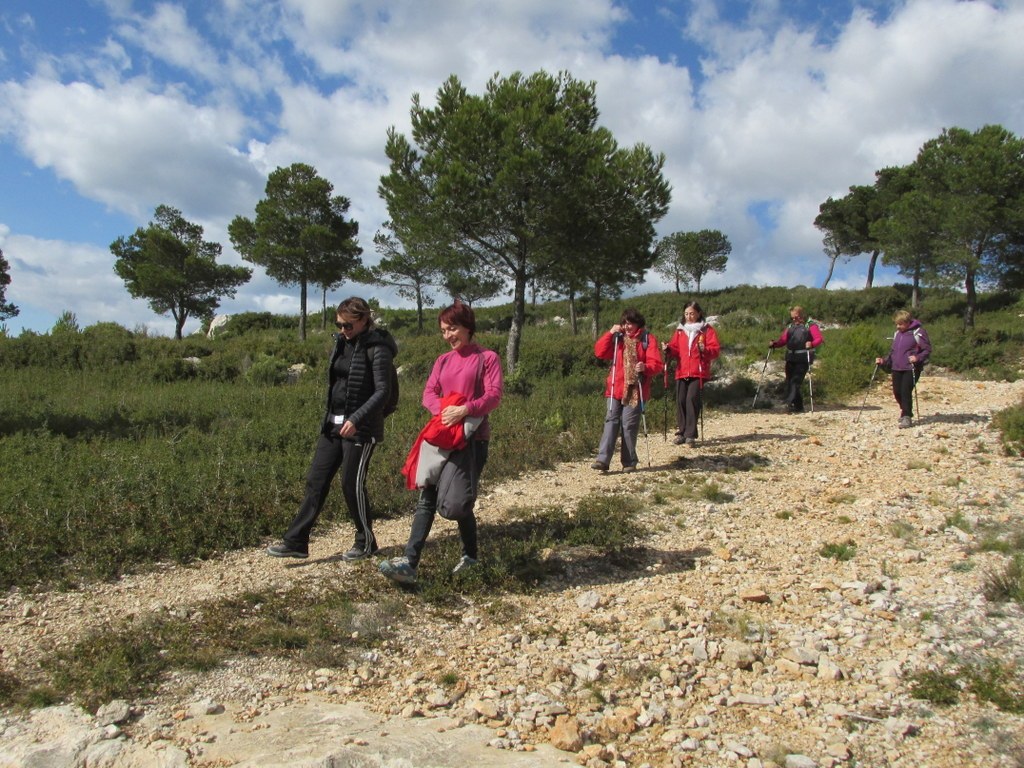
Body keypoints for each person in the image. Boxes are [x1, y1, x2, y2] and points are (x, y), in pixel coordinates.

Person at [380, 301, 503, 585]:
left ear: (468, 327)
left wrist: (465, 409)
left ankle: (470, 556)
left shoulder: (487, 358)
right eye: (444, 330)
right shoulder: (442, 361)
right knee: (427, 498)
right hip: (441, 435)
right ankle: (409, 563)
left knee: (456, 505)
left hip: (472, 440)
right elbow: (428, 393)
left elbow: (494, 396)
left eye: (453, 328)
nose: (448, 335)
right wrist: (443, 410)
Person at [267, 297, 397, 561]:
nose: (342, 330)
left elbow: (383, 391)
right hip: (333, 424)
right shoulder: (341, 343)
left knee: (352, 484)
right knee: (316, 479)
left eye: (348, 325)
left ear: (363, 321)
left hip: (362, 428)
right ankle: (296, 541)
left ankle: (366, 542)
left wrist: (357, 419)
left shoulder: (378, 348)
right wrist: (333, 417)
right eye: (338, 324)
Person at [591, 308, 664, 472]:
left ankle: (629, 461)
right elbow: (600, 352)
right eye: (625, 323)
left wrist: (645, 367)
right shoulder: (618, 339)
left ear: (638, 323)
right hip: (614, 387)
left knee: (629, 425)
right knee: (611, 421)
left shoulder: (647, 339)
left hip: (635, 390)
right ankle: (603, 460)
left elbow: (657, 365)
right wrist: (610, 333)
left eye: (630, 323)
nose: (627, 326)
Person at [663, 301, 720, 445]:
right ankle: (681, 432)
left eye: (692, 313)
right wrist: (668, 349)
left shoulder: (706, 330)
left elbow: (715, 350)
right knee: (681, 400)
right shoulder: (680, 330)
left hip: (698, 371)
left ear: (699, 313)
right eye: (687, 314)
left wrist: (704, 350)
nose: (689, 316)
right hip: (682, 371)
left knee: (691, 400)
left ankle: (690, 434)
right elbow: (675, 349)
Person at [876, 309, 931, 429]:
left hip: (911, 368)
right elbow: (893, 352)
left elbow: (927, 350)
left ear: (907, 322)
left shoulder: (918, 332)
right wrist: (884, 361)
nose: (898, 326)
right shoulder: (897, 334)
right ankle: (905, 411)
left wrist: (917, 357)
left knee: (905, 391)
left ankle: (906, 416)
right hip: (897, 367)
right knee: (897, 392)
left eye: (900, 324)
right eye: (897, 324)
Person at [768, 306, 823, 413]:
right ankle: (799, 406)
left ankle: (789, 403)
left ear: (802, 315)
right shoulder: (790, 326)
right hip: (791, 357)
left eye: (796, 317)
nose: (794, 320)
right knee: (790, 381)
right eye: (792, 318)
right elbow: (783, 340)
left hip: (803, 358)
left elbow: (819, 339)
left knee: (795, 381)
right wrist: (775, 344)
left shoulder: (810, 325)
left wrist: (811, 343)